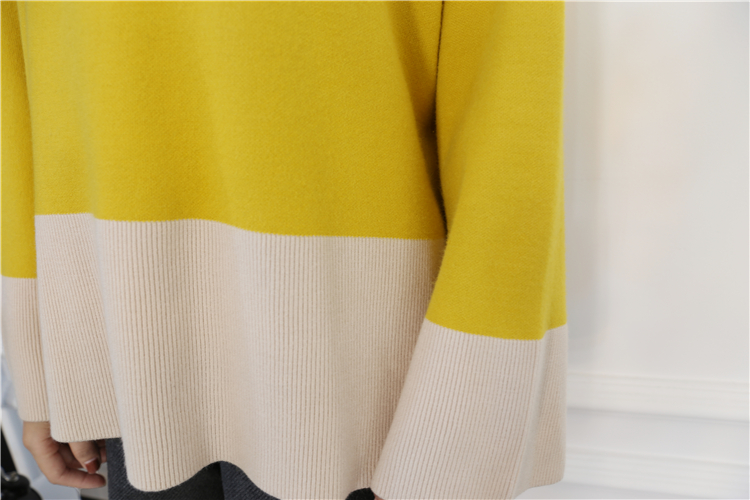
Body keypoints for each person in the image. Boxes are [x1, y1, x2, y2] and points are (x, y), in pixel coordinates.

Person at [3, 2, 568, 499]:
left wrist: (459, 446)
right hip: (117, 356)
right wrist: (41, 370)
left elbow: (509, 145)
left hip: (348, 386)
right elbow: (17, 80)